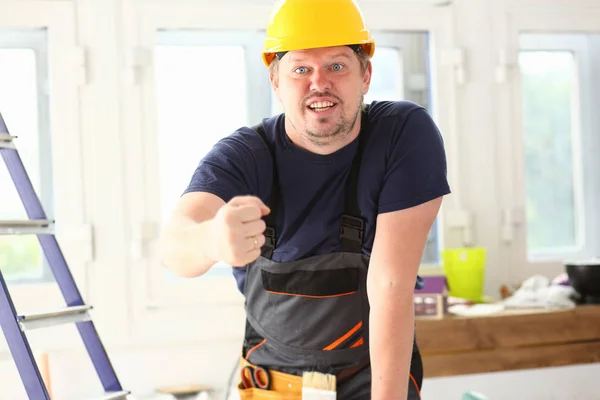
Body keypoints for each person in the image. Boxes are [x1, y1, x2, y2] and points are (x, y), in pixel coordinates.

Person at [158, 0, 451, 398]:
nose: (319, 83)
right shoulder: (245, 156)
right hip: (273, 388)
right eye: (300, 69)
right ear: (276, 80)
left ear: (365, 75)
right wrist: (212, 240)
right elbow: (175, 247)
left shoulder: (401, 136)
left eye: (336, 65)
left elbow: (390, 284)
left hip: (372, 383)